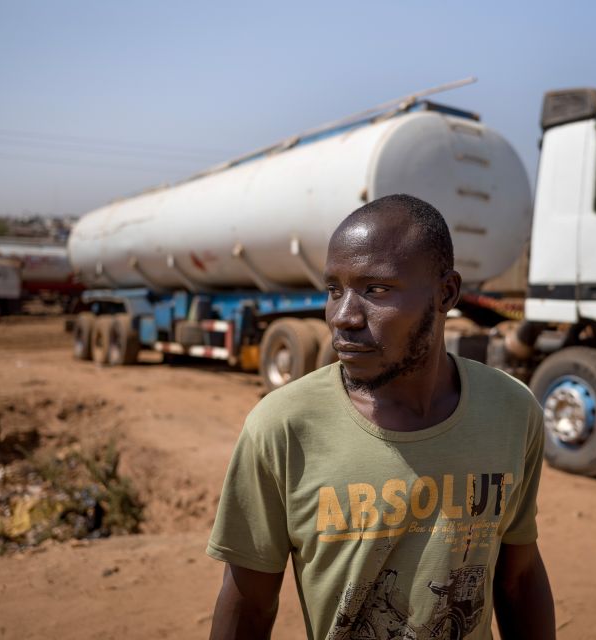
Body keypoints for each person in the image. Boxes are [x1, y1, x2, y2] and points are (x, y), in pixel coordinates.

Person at [207, 194, 555, 639]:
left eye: (376, 290)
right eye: (334, 290)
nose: (343, 317)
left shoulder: (510, 410)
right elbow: (249, 606)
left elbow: (519, 578)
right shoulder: (283, 426)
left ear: (445, 292)